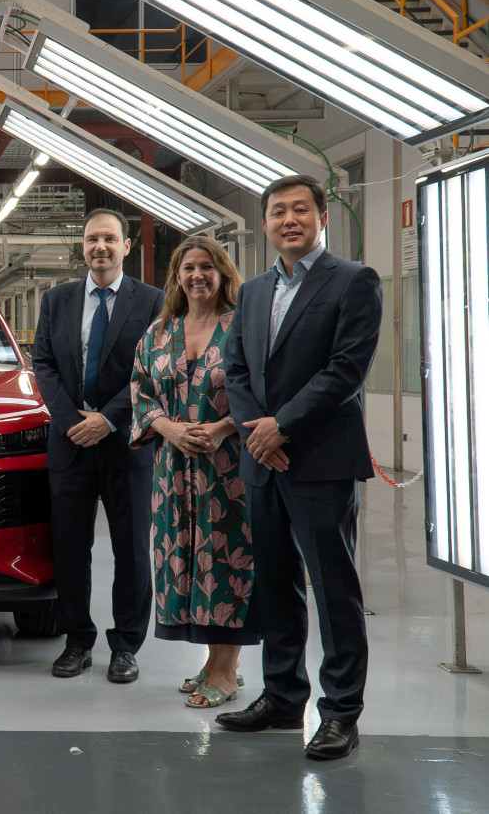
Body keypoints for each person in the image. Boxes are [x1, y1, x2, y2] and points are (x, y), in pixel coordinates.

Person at [216, 174, 382, 761]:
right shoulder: (253, 291)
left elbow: (346, 370)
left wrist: (279, 427)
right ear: (264, 223)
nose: (290, 219)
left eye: (301, 210)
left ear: (321, 218)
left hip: (320, 459)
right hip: (264, 462)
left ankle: (340, 713)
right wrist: (256, 433)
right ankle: (283, 696)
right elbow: (236, 369)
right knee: (275, 584)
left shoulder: (354, 281)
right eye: (278, 211)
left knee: (333, 589)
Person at [32, 208, 165, 683]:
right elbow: (43, 364)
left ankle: (126, 645)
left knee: (132, 550)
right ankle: (77, 640)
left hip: (127, 443)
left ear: (126, 246)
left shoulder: (152, 301)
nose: (100, 247)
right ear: (83, 246)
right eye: (92, 239)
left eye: (109, 238)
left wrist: (107, 420)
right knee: (70, 548)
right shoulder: (57, 300)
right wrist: (73, 422)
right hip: (70, 443)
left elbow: (151, 370)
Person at [129, 236, 257, 708]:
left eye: (207, 266)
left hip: (229, 469)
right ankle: (214, 661)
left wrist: (224, 428)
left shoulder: (242, 327)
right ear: (177, 277)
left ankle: (226, 670)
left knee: (228, 559)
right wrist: (168, 428)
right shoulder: (159, 332)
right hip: (172, 471)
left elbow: (261, 390)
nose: (197, 275)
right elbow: (140, 391)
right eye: (188, 268)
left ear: (223, 273)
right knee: (188, 559)